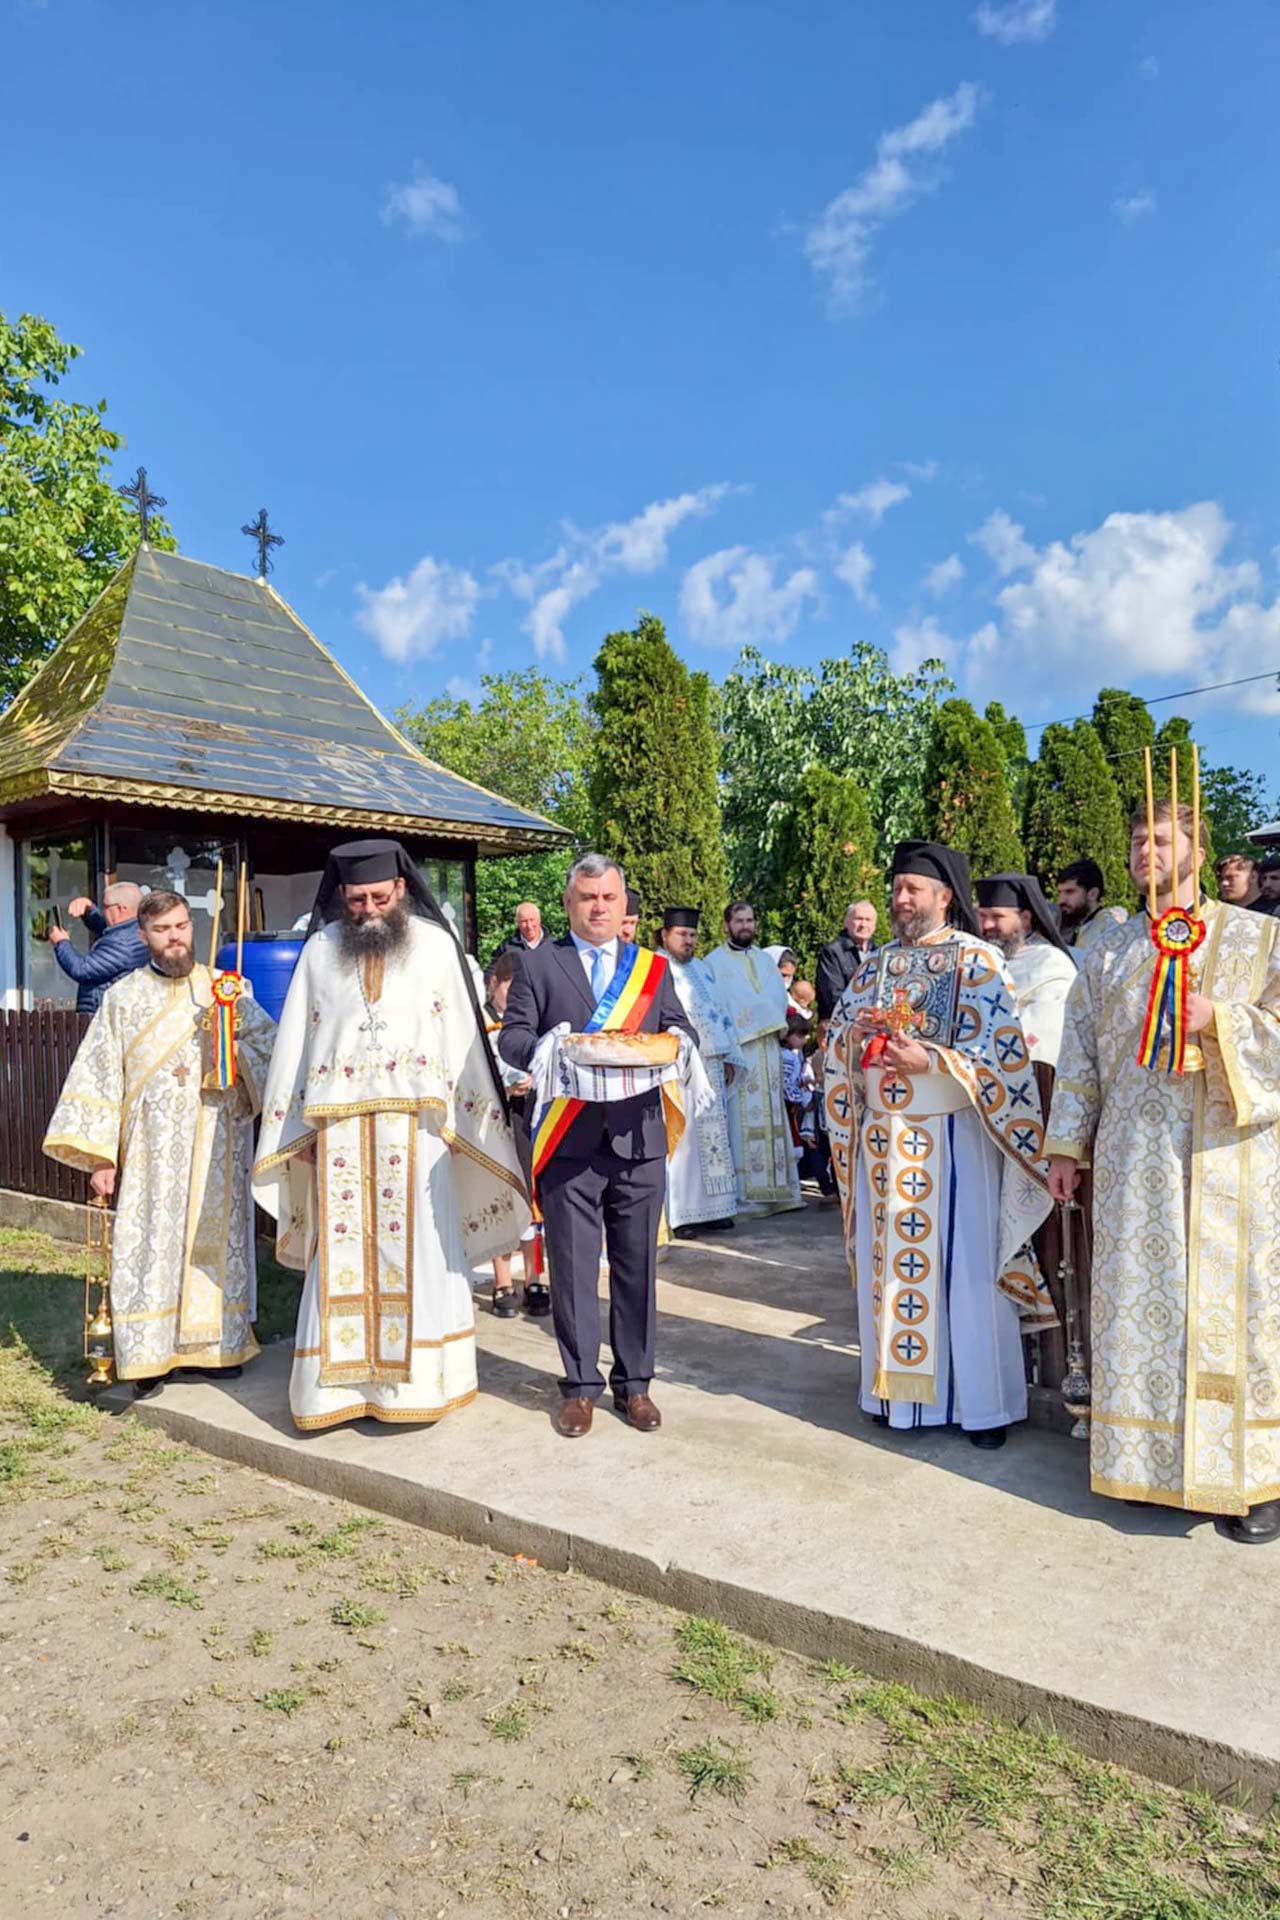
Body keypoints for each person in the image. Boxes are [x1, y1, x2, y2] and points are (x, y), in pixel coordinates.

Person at [1047, 799, 1280, 1544]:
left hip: (1227, 1157)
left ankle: (1252, 1481)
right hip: (1133, 1160)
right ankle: (1146, 1463)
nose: (1146, 852)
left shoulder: (1258, 937)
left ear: (1198, 852)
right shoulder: (1108, 949)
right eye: (1137, 841)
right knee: (1142, 1308)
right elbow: (1080, 1049)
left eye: (1161, 839)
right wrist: (1066, 1146)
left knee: (1236, 1314)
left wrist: (1221, 1021)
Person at [253, 840, 531, 1433]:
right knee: (341, 1253)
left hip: (420, 1131)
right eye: (357, 901)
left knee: (423, 1250)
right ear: (341, 896)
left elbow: (461, 1039)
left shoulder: (435, 947)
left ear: (401, 889)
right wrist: (299, 1130)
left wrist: (467, 1120)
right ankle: (336, 1393)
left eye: (380, 898)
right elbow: (297, 1047)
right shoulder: (319, 952)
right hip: (340, 1133)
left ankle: (421, 1384)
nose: (369, 911)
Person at [825, 843, 1053, 1448]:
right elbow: (837, 1039)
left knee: (966, 1277)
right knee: (891, 1276)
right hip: (884, 1144)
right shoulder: (875, 966)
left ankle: (983, 1409)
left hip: (954, 1144)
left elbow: (1004, 1058)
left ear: (945, 896)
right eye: (897, 888)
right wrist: (854, 1038)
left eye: (913, 890)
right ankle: (896, 1401)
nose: (901, 900)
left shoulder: (977, 961)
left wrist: (930, 1060)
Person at [43, 890, 277, 1397]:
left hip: (216, 1144)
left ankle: (215, 1347)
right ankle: (149, 1354)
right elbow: (99, 1075)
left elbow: (270, 1053)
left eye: (181, 926)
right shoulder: (122, 998)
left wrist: (235, 1047)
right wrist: (101, 1157)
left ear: (191, 927)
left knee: (213, 1242)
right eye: (163, 930)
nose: (175, 938)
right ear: (143, 935)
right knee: (150, 1242)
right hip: (149, 1151)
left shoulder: (226, 989)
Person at [499, 855, 698, 1438]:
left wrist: (680, 1040)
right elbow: (513, 1038)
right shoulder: (538, 964)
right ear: (568, 903)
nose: (599, 907)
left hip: (639, 1138)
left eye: (609, 898)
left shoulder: (651, 968)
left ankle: (635, 1385)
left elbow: (678, 1028)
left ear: (623, 903)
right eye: (588, 897)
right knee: (573, 1270)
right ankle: (580, 1387)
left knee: (637, 1269)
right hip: (570, 1141)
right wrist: (549, 1046)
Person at [977, 871, 1088, 1383]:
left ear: (1025, 917)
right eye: (982, 916)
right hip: (984, 1118)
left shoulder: (1052, 967)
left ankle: (1048, 1367)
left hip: (1036, 1116)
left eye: (996, 917)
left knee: (1044, 1244)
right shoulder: (980, 966)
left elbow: (1043, 1046)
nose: (987, 925)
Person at [705, 905, 804, 1216]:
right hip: (739, 1051)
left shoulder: (765, 961)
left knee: (774, 1113)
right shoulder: (713, 963)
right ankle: (747, 1195)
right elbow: (717, 1007)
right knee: (741, 1118)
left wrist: (766, 1019)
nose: (745, 926)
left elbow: (776, 999)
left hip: (769, 1049)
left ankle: (780, 1192)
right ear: (726, 925)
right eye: (739, 921)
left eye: (749, 920)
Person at [658, 906, 743, 1237]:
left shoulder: (702, 969)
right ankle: (684, 1215)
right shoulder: (656, 967)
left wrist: (731, 1056)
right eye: (682, 935)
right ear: (665, 935)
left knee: (714, 1138)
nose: (689, 941)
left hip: (713, 1063)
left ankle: (715, 1209)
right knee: (686, 1140)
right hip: (681, 1066)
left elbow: (720, 1012)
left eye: (692, 935)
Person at [483, 952, 546, 1319]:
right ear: (494, 984)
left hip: (529, 1115)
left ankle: (535, 1276)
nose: (517, 997)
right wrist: (503, 1089)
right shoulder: (479, 1023)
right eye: (511, 989)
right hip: (494, 1118)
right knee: (501, 1193)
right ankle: (502, 1280)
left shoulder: (531, 1019)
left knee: (533, 1193)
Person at [47, 882, 149, 1013]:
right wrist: (89, 911)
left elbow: (81, 969)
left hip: (102, 1014)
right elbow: (107, 930)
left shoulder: (122, 943)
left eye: (105, 906)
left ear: (121, 908)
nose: (103, 911)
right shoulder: (135, 931)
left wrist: (61, 943)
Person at [816, 901, 879, 1019]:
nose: (863, 924)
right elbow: (833, 997)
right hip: (841, 1022)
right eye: (859, 919)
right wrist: (861, 1014)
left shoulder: (879, 953)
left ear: (874, 926)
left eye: (868, 920)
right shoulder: (832, 952)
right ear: (846, 922)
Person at [1056, 860, 1127, 960]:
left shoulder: (1109, 929)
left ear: (1093, 894)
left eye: (1069, 892)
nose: (1061, 900)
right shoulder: (1083, 926)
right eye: (1060, 893)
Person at [489, 900, 547, 965]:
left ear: (539, 919)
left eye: (532, 920)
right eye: (524, 921)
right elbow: (493, 970)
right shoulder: (506, 948)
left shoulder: (554, 946)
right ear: (517, 923)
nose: (529, 926)